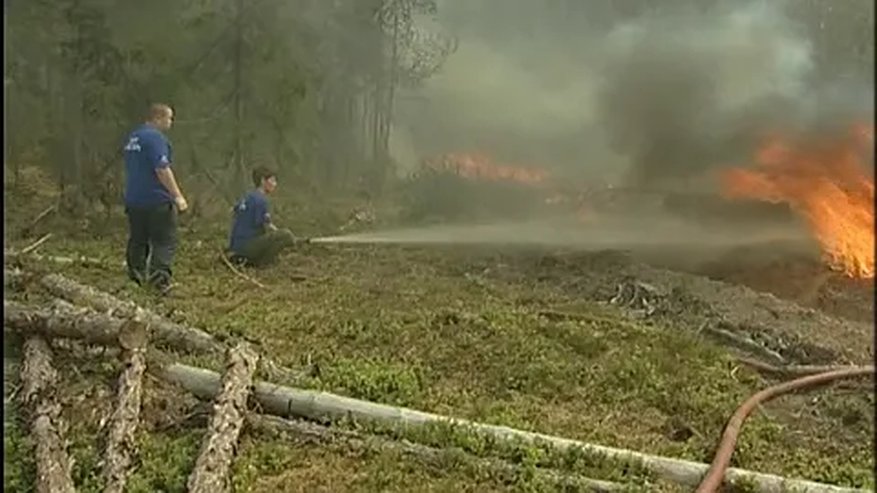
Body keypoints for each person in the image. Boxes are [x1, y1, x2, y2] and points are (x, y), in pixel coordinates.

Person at [122, 103, 188, 294]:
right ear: (158, 118)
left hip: (134, 199)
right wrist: (177, 196)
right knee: (164, 241)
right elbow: (162, 169)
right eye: (169, 118)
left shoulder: (133, 138)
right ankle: (159, 282)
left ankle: (136, 278)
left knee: (138, 240)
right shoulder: (155, 139)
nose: (171, 123)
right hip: (156, 199)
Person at [227, 166, 304, 267]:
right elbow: (267, 225)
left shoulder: (248, 196)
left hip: (236, 248)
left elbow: (233, 210)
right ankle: (263, 263)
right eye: (272, 181)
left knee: (277, 237)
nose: (275, 184)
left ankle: (252, 260)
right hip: (246, 248)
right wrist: (291, 239)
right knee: (286, 235)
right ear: (263, 181)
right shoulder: (260, 200)